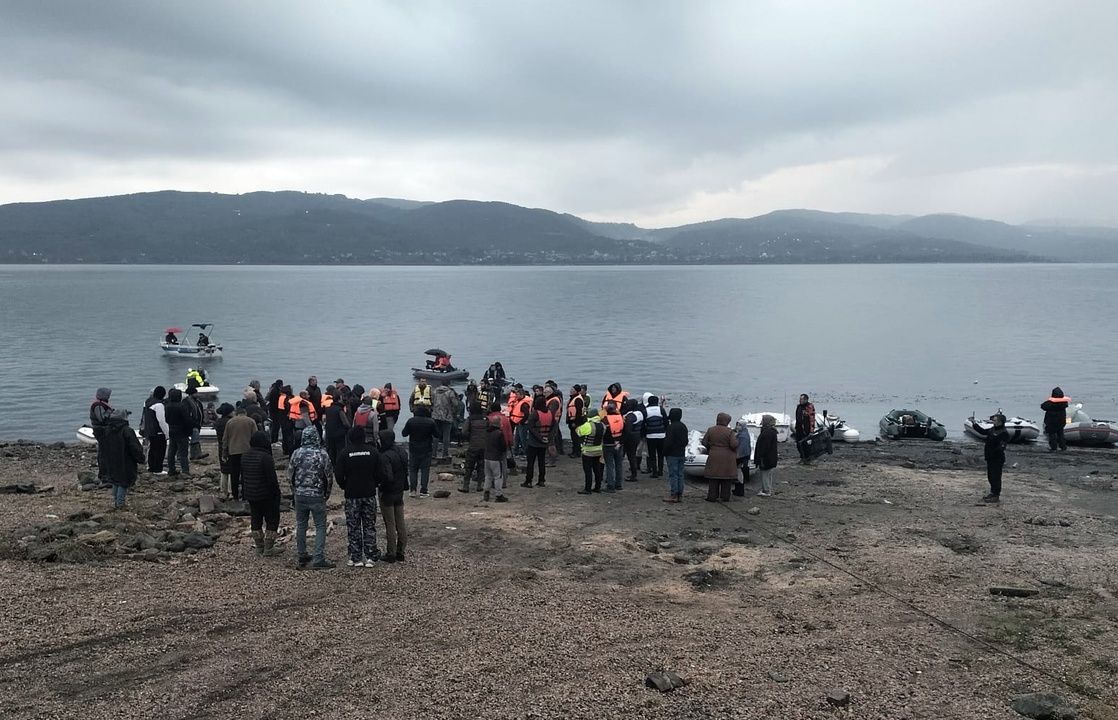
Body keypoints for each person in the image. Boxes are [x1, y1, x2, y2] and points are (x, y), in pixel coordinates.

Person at [335, 426, 386, 567]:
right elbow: (380, 472)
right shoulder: (373, 452)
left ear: (350, 438)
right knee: (369, 525)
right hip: (368, 493)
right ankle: (370, 555)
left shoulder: (345, 453)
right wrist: (374, 483)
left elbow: (338, 474)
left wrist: (344, 485)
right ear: (364, 437)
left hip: (352, 495)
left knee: (353, 526)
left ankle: (356, 557)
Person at [288, 426, 335, 569]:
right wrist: (326, 494)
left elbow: (290, 475)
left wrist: (294, 492)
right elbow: (329, 476)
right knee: (320, 526)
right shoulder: (322, 454)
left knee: (301, 524)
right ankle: (318, 558)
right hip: (316, 494)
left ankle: (302, 554)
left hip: (300, 494)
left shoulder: (296, 453)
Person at [241, 430, 282, 556]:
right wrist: (277, 494)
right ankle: (269, 547)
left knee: (256, 519)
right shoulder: (266, 457)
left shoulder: (245, 455)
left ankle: (259, 546)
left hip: (251, 493)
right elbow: (272, 479)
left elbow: (243, 476)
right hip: (266, 494)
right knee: (272, 519)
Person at [100, 409, 145, 508]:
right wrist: (141, 458)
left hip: (111, 460)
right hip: (125, 460)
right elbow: (134, 447)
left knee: (115, 480)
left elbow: (103, 446)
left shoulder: (107, 430)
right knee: (124, 482)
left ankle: (116, 501)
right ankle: (120, 504)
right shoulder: (127, 430)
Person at [377, 429, 408, 562]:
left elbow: (387, 476)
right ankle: (401, 551)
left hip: (388, 493)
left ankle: (391, 553)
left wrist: (381, 486)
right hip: (399, 491)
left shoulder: (385, 456)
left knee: (390, 524)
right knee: (400, 523)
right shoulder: (402, 451)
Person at [970, 412, 1010, 502]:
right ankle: (992, 493)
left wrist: (995, 451)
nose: (993, 422)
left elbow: (1002, 446)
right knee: (990, 476)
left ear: (1000, 422)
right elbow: (983, 432)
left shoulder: (1003, 432)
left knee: (996, 477)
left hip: (997, 458)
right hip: (990, 457)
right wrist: (974, 424)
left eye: (995, 420)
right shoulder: (993, 429)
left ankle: (996, 495)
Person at [702, 412, 739, 502]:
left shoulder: (711, 430)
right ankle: (725, 496)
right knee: (726, 479)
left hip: (714, 455)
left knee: (713, 478)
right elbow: (733, 444)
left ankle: (712, 496)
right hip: (727, 457)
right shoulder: (730, 431)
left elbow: (704, 442)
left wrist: (711, 447)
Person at [401, 406, 436, 497]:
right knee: (425, 470)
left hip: (413, 448)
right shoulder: (431, 422)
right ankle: (423, 490)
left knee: (413, 470)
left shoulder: (411, 421)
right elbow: (437, 434)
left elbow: (404, 433)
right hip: (426, 448)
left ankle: (413, 490)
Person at [223, 407, 256, 501]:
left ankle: (235, 495)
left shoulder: (230, 422)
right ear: (245, 413)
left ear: (236, 413)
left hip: (233, 451)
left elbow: (225, 439)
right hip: (247, 451)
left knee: (234, 475)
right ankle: (246, 495)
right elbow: (256, 436)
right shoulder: (251, 421)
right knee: (246, 474)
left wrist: (224, 452)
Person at [522, 396, 553, 488]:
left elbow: (530, 427)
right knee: (541, 462)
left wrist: (539, 437)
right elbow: (554, 426)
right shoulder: (550, 413)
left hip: (533, 442)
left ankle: (528, 481)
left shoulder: (535, 413)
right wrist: (548, 437)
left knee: (530, 462)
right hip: (544, 442)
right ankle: (541, 480)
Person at [140, 386, 169, 474]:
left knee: (152, 449)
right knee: (160, 450)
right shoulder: (159, 405)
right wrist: (167, 433)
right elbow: (161, 420)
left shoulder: (148, 402)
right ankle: (158, 469)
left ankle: (151, 467)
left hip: (150, 430)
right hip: (158, 431)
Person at [575, 410, 606, 495]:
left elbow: (578, 432)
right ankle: (597, 487)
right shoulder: (603, 425)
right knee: (597, 470)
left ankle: (587, 489)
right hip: (599, 450)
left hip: (588, 451)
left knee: (588, 470)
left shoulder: (588, 425)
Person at [164, 388, 192, 476]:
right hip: (182, 431)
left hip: (172, 429)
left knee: (171, 451)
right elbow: (187, 420)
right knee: (183, 453)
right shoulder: (182, 406)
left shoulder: (167, 406)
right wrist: (189, 430)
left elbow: (166, 419)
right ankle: (185, 471)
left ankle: (171, 469)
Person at [663, 407, 688, 502]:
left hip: (672, 454)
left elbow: (668, 442)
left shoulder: (671, 427)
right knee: (680, 474)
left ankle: (674, 494)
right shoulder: (683, 426)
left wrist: (664, 452)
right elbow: (686, 441)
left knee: (673, 474)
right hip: (681, 453)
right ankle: (680, 494)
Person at [89, 388, 114, 485]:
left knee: (104, 452)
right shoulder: (98, 405)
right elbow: (102, 418)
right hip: (101, 430)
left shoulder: (100, 404)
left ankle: (104, 474)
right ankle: (104, 476)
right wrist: (111, 413)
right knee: (104, 452)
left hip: (101, 430)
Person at [483, 416, 509, 502]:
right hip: (496, 458)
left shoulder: (486, 432)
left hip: (486, 457)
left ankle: (486, 493)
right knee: (498, 477)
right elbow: (503, 447)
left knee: (488, 476)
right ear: (499, 423)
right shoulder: (499, 433)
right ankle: (499, 495)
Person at [432, 381, 459, 461]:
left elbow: (432, 402)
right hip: (447, 416)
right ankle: (445, 454)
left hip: (436, 416)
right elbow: (456, 404)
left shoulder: (435, 391)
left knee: (435, 436)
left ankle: (433, 454)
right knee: (446, 436)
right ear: (448, 384)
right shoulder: (450, 392)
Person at [602, 401, 625, 493]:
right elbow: (626, 431)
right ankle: (618, 484)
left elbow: (603, 433)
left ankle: (610, 486)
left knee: (610, 465)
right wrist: (620, 442)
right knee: (619, 465)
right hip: (619, 444)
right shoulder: (621, 418)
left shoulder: (605, 420)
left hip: (608, 445)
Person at [323, 391, 351, 467]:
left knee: (332, 451)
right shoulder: (339, 410)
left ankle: (332, 465)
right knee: (340, 450)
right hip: (339, 434)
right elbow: (345, 423)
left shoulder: (328, 409)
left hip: (330, 433)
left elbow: (325, 420)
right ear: (339, 399)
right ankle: (340, 465)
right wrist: (348, 428)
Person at [754, 414, 780, 497]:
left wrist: (760, 457)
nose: (761, 422)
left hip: (766, 458)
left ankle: (766, 490)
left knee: (765, 474)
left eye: (763, 420)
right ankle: (767, 489)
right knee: (768, 474)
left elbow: (764, 447)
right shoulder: (772, 431)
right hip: (771, 457)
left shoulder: (767, 432)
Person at [642, 395, 668, 478]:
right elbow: (666, 422)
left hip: (650, 436)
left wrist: (643, 435)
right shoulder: (661, 409)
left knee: (652, 455)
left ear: (649, 402)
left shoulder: (645, 410)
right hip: (661, 435)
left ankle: (654, 472)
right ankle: (660, 471)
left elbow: (643, 425)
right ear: (657, 402)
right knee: (661, 455)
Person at [214, 403, 236, 498]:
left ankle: (223, 489)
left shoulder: (218, 422)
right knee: (232, 469)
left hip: (221, 446)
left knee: (224, 469)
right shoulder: (231, 422)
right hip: (230, 446)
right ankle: (231, 491)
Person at [1041, 387, 1070, 452]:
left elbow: (1043, 406)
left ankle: (1053, 447)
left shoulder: (1050, 403)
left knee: (1052, 434)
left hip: (1052, 421)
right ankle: (1063, 447)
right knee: (1060, 434)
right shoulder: (1064, 403)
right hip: (1061, 421)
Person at [621, 399, 643, 482]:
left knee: (626, 456)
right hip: (637, 435)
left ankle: (633, 475)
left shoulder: (630, 416)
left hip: (630, 438)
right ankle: (634, 474)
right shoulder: (639, 413)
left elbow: (627, 429)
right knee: (632, 455)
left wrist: (622, 440)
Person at [184, 387, 207, 461]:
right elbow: (187, 414)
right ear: (191, 394)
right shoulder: (186, 402)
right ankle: (194, 455)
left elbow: (200, 411)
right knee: (194, 440)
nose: (197, 394)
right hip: (192, 424)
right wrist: (193, 423)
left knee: (196, 439)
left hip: (198, 423)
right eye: (195, 393)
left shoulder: (197, 402)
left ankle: (197, 454)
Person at [794, 394, 816, 463]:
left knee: (805, 444)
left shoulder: (809, 407)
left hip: (806, 430)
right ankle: (802, 457)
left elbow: (812, 419)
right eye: (800, 399)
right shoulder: (799, 407)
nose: (800, 400)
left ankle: (807, 458)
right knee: (798, 444)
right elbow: (797, 418)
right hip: (799, 429)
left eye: (802, 399)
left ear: (806, 400)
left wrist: (811, 430)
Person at [566, 385, 586, 459]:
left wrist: (576, 423)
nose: (571, 390)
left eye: (573, 390)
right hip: (572, 421)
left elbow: (579, 412)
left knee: (576, 438)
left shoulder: (578, 399)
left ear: (577, 391)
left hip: (576, 422)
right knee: (574, 437)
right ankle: (574, 451)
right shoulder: (573, 398)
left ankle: (577, 452)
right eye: (571, 389)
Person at [734, 420, 752, 497]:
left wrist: (737, 456)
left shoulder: (743, 436)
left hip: (742, 457)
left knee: (739, 473)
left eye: (739, 425)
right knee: (739, 473)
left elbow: (742, 448)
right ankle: (737, 489)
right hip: (744, 456)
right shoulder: (744, 433)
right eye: (737, 425)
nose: (738, 426)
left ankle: (740, 490)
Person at [266, 379, 286, 444]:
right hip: (275, 412)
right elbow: (276, 403)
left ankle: (274, 440)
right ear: (280, 385)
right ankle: (274, 440)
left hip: (272, 411)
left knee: (274, 426)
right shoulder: (276, 392)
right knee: (276, 426)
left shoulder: (273, 390)